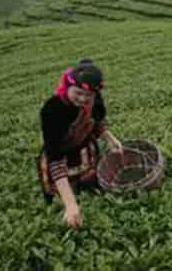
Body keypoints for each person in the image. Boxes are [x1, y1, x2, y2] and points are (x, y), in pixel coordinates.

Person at [37, 59, 123, 228]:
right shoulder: (53, 110)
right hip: (60, 155)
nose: (83, 99)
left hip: (84, 151)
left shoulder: (93, 96)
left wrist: (110, 139)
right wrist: (70, 204)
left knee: (91, 189)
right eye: (78, 93)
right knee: (59, 204)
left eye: (88, 96)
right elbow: (55, 157)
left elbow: (96, 120)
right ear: (67, 86)